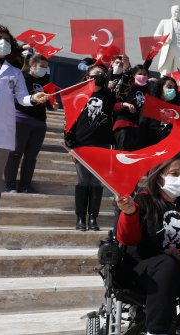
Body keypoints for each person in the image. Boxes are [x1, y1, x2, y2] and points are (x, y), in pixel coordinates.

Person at [115, 153, 180, 335]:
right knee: (167, 264)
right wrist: (129, 214)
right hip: (144, 266)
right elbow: (127, 239)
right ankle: (156, 331)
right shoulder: (142, 201)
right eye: (175, 174)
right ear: (159, 176)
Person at [0, 24, 48, 224]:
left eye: (7, 40)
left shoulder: (14, 72)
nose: (3, 42)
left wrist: (34, 98)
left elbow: (22, 98)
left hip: (1, 133)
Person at [65, 65, 116, 231]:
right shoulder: (78, 94)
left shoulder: (108, 96)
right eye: (96, 73)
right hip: (81, 143)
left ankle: (93, 218)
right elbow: (69, 121)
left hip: (102, 144)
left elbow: (123, 89)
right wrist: (70, 145)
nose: (100, 75)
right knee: (83, 181)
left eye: (102, 73)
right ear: (88, 75)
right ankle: (81, 218)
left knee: (96, 183)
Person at [4, 54, 54, 193]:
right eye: (41, 66)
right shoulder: (21, 77)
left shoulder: (44, 81)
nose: (44, 69)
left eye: (46, 67)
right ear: (32, 65)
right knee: (15, 153)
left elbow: (46, 100)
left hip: (39, 122)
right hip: (22, 118)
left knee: (31, 157)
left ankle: (25, 185)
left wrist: (51, 105)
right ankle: (10, 184)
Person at [154, 5, 180, 75]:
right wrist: (165, 39)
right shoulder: (164, 22)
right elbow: (156, 36)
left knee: (177, 73)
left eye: (178, 12)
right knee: (165, 72)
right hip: (169, 49)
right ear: (171, 11)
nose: (176, 14)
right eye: (175, 12)